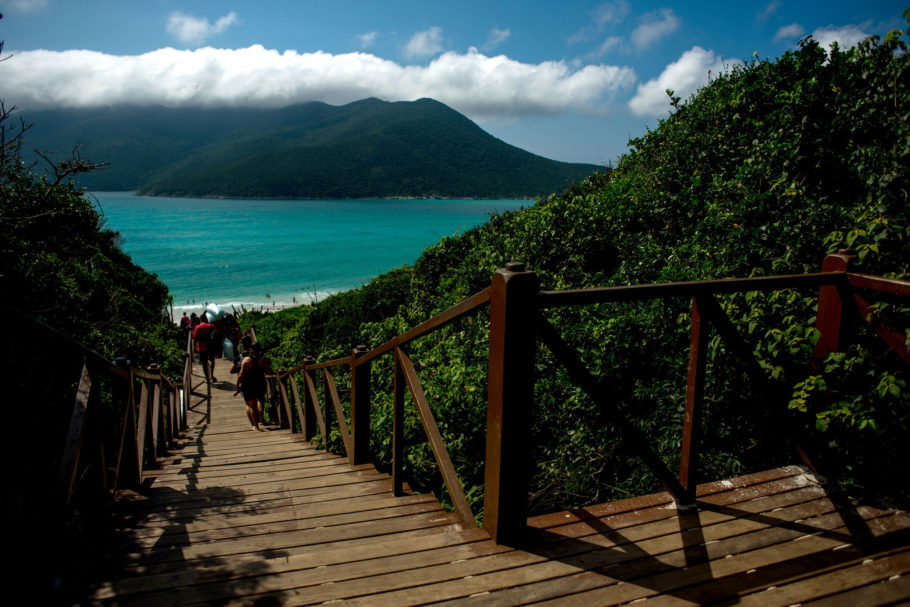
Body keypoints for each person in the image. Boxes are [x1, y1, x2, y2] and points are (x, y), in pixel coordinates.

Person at [235, 343, 274, 431]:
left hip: (248, 384)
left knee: (250, 404)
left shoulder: (247, 360)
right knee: (259, 399)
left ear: (250, 349)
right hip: (260, 382)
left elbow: (241, 374)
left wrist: (237, 385)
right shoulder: (263, 359)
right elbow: (268, 371)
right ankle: (261, 416)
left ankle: (255, 426)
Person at [192, 315, 218, 382]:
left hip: (202, 348)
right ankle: (212, 375)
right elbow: (216, 336)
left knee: (204, 363)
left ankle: (207, 378)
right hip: (211, 347)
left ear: (200, 320)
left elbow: (195, 339)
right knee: (212, 361)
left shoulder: (197, 327)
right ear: (206, 319)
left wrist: (195, 348)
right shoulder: (211, 326)